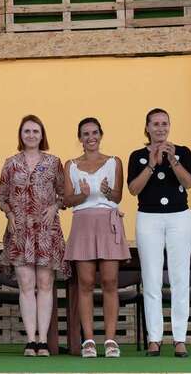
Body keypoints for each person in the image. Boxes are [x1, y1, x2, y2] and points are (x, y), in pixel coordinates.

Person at [0, 115, 69, 357]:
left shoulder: (54, 162)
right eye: (27, 131)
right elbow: (2, 197)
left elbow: (64, 194)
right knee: (26, 285)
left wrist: (55, 207)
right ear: (21, 134)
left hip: (46, 231)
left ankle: (43, 341)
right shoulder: (10, 163)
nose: (31, 135)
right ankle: (30, 340)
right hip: (20, 231)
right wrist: (9, 214)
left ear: (42, 134)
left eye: (35, 131)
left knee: (46, 284)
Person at [127, 109, 191, 358]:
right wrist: (152, 164)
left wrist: (173, 160)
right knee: (151, 278)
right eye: (155, 124)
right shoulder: (137, 156)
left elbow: (188, 183)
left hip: (179, 218)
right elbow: (133, 189)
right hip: (148, 218)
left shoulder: (183, 152)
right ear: (147, 127)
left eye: (164, 123)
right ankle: (154, 338)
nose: (160, 128)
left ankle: (180, 338)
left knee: (179, 278)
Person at [63, 117, 129, 358]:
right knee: (86, 282)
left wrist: (108, 191)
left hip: (107, 222)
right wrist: (82, 195)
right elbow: (67, 200)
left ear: (101, 135)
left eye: (94, 133)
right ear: (80, 138)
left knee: (110, 281)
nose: (91, 137)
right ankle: (88, 340)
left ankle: (110, 340)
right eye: (86, 134)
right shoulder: (70, 165)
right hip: (82, 223)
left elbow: (118, 196)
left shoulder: (114, 162)